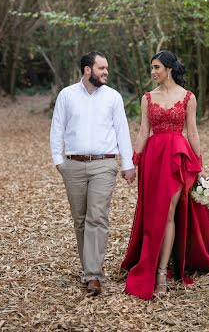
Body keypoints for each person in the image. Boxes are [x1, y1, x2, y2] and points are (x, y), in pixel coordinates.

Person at [121, 50, 209, 300]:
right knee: (153, 214)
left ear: (169, 69)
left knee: (168, 215)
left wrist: (201, 165)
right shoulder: (147, 98)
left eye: (156, 67)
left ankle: (162, 272)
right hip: (153, 160)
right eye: (151, 68)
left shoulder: (187, 97)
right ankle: (151, 263)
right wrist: (133, 162)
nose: (152, 72)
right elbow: (143, 132)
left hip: (176, 159)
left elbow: (192, 133)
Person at [50, 51, 135, 296]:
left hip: (104, 164)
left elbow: (122, 131)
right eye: (101, 68)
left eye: (106, 68)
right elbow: (57, 129)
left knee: (97, 216)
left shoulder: (113, 97)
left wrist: (127, 163)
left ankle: (93, 276)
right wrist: (59, 162)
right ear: (87, 70)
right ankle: (89, 268)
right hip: (73, 165)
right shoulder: (66, 95)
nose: (106, 72)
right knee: (80, 220)